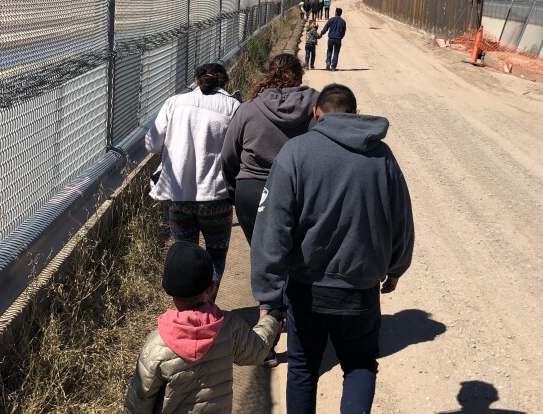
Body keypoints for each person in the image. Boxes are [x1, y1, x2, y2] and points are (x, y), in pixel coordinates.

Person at [251, 84, 415, 414]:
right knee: (359, 366)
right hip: (360, 291)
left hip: (306, 290)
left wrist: (268, 295)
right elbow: (401, 219)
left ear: (317, 114)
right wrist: (396, 268)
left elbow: (271, 230)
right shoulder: (382, 157)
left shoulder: (296, 153)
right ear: (355, 114)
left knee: (302, 368)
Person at [123, 241, 284, 414]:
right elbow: (257, 350)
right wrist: (272, 320)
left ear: (169, 290)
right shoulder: (229, 326)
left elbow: (138, 403)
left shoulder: (156, 346)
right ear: (210, 289)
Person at [145, 63, 240, 298]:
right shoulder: (233, 106)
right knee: (216, 255)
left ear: (196, 81)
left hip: (177, 196)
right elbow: (238, 151)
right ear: (223, 83)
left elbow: (151, 144)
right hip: (217, 197)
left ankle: (188, 313)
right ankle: (209, 308)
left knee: (185, 256)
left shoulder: (174, 102)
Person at [222, 53, 318, 245]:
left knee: (262, 258)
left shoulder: (248, 109)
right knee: (299, 258)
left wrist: (235, 192)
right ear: (299, 76)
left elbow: (228, 157)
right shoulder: (318, 108)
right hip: (302, 192)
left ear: (269, 75)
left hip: (253, 192)